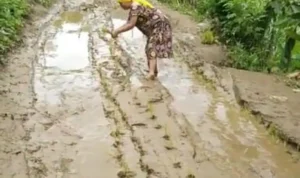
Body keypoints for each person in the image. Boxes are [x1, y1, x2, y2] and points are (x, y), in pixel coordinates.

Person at [110, 0, 173, 80]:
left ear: (126, 1)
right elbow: (128, 23)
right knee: (149, 48)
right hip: (157, 26)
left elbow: (130, 24)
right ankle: (154, 71)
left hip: (160, 26)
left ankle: (151, 73)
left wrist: (117, 31)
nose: (121, 6)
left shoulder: (135, 6)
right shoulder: (134, 7)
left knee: (151, 47)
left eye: (121, 3)